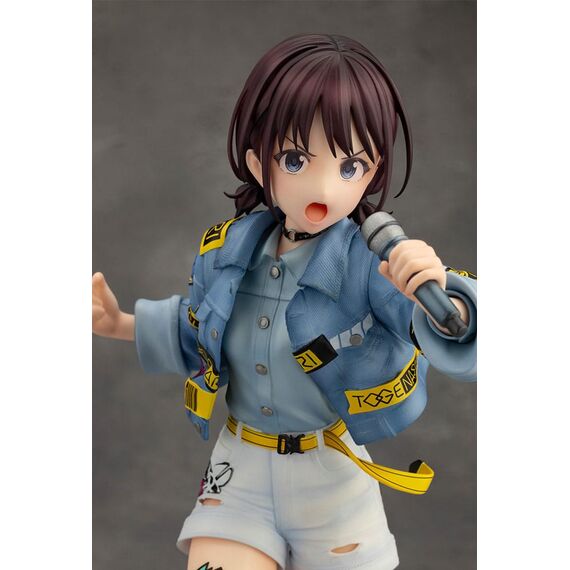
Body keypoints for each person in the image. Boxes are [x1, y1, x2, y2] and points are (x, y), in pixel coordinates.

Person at [92, 34, 476, 570]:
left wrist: (446, 298)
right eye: (296, 159)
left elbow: (447, 331)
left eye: (349, 167)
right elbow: (200, 329)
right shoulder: (228, 251)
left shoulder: (371, 265)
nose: (324, 188)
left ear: (371, 171)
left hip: (330, 480)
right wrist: (120, 323)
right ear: (257, 162)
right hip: (239, 471)